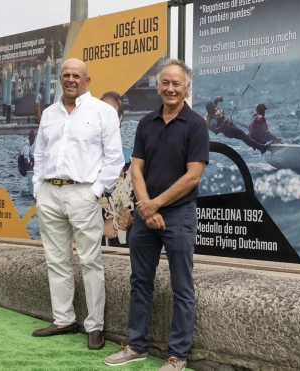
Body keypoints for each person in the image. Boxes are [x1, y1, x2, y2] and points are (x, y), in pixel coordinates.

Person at [104, 59, 209, 371]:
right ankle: (136, 345)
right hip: (146, 212)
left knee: (182, 285)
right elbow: (136, 167)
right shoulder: (146, 123)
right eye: (165, 83)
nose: (171, 88)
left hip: (179, 214)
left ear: (187, 87)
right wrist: (146, 205)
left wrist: (154, 205)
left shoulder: (196, 125)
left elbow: (193, 176)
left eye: (177, 83)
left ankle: (177, 355)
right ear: (158, 86)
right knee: (140, 280)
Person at [31, 58, 124, 351]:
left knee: (90, 260)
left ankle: (95, 326)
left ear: (87, 80)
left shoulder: (103, 112)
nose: (71, 79)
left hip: (83, 193)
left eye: (77, 75)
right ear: (60, 78)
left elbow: (114, 159)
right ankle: (63, 319)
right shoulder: (49, 113)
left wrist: (95, 192)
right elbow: (40, 153)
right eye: (66, 75)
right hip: (50, 193)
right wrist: (38, 188)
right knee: (55, 259)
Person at [100, 91, 133, 247]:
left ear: (120, 118)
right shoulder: (82, 162)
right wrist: (99, 228)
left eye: (111, 113)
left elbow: (144, 204)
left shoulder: (132, 161)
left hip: (125, 243)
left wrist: (130, 217)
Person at [205, 96, 270, 154]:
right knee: (244, 136)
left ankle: (257, 145)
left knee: (244, 137)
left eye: (214, 106)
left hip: (230, 127)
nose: (215, 107)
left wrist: (217, 99)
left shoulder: (212, 111)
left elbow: (214, 104)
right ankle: (261, 148)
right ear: (210, 110)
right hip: (228, 130)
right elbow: (215, 131)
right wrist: (223, 124)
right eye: (213, 107)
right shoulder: (212, 120)